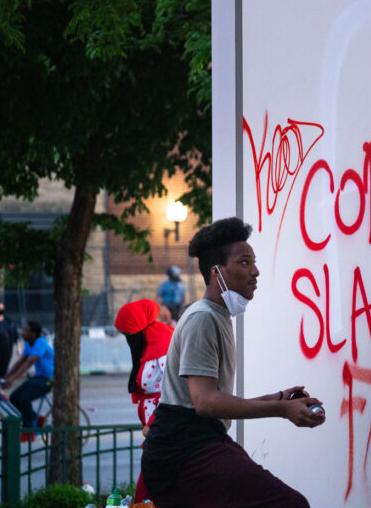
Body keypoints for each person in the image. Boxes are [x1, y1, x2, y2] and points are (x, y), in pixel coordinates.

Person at [141, 217, 324, 508]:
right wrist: (281, 410)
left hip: (199, 441)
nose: (255, 271)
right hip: (181, 453)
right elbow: (206, 403)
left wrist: (279, 398)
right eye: (244, 263)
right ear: (217, 273)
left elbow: (212, 400)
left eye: (254, 262)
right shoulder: (202, 318)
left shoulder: (217, 316)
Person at [114, 298, 173, 503]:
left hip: (163, 425)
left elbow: (172, 390)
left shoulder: (163, 343)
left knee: (153, 476)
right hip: (155, 426)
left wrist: (152, 423)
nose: (127, 339)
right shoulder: (147, 342)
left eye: (127, 334)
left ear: (136, 329)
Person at [0, 321, 54, 441]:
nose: (22, 333)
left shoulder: (41, 343)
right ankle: (37, 419)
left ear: (33, 334)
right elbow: (20, 362)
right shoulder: (29, 344)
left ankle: (29, 432)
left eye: (25, 331)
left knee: (25, 398)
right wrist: (5, 377)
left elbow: (29, 363)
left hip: (49, 379)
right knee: (14, 398)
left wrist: (12, 379)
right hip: (39, 377)